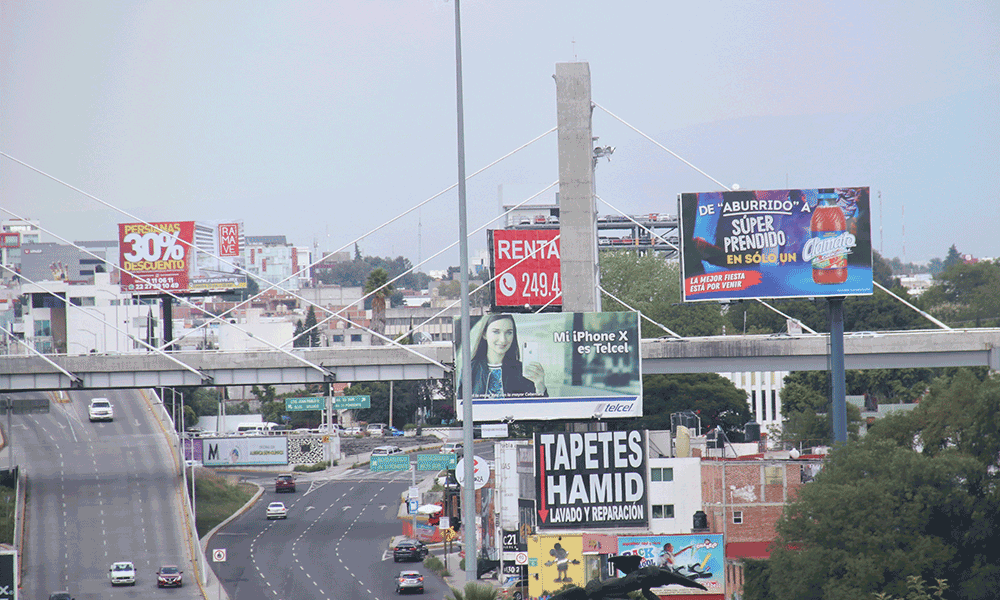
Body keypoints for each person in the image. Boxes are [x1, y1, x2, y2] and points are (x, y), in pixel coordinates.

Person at [462, 314, 547, 399]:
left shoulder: (523, 371)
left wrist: (540, 388)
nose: (503, 339)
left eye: (509, 332)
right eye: (496, 332)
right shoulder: (470, 370)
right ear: (484, 334)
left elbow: (537, 408)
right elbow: (460, 405)